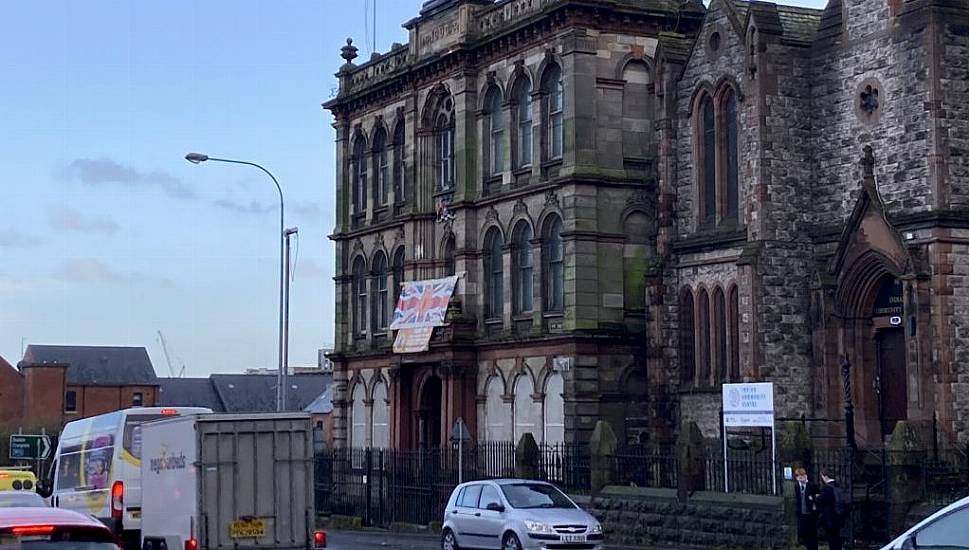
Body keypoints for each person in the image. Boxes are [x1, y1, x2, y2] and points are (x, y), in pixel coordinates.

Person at [817, 469, 846, 550]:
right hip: (839, 516)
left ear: (825, 477)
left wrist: (817, 497)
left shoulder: (827, 488)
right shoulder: (838, 486)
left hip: (830, 518)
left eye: (822, 477)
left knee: (832, 539)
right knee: (837, 537)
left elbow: (822, 500)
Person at [794, 467, 820, 550]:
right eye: (799, 477)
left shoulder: (812, 485)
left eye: (803, 476)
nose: (802, 478)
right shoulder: (797, 486)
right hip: (802, 514)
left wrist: (814, 502)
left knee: (812, 534)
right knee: (804, 533)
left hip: (810, 514)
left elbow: (818, 496)